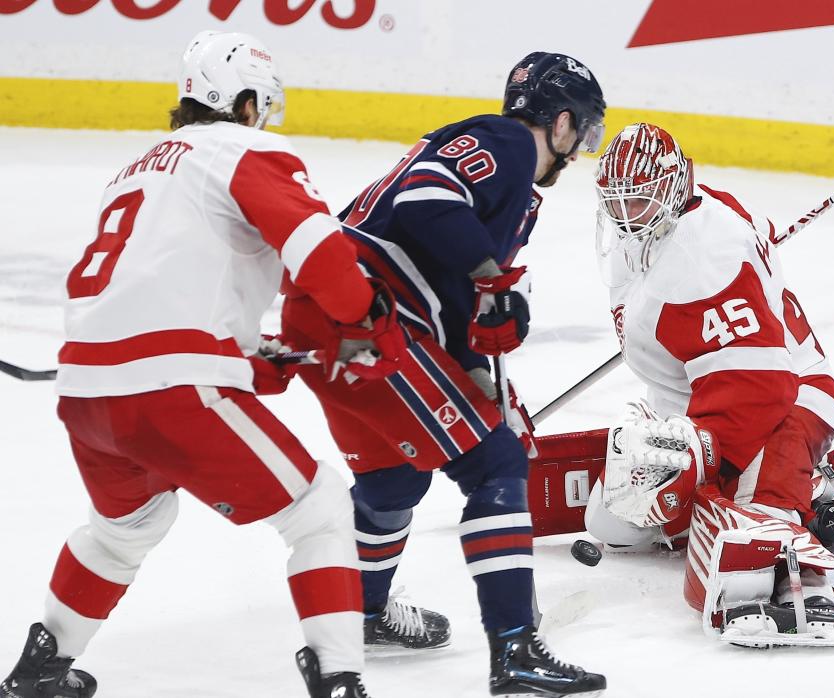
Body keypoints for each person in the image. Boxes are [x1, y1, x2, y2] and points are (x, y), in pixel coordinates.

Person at [0, 31, 403, 698]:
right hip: (172, 389)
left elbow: (158, 294)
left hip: (85, 395)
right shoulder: (244, 149)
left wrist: (240, 358)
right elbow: (323, 259)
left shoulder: (135, 170)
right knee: (322, 510)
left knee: (126, 529)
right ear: (246, 104)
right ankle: (340, 680)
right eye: (262, 106)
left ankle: (39, 672)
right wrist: (367, 315)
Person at [279, 53, 607, 695]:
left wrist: (480, 372)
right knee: (496, 463)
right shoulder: (509, 142)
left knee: (394, 475)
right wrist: (492, 279)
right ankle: (515, 652)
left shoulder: (500, 172)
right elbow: (425, 198)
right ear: (563, 124)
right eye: (585, 131)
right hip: (371, 321)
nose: (578, 148)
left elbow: (445, 280)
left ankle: (362, 615)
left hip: (331, 327)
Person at [530, 123, 834, 648]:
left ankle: (805, 512)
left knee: (754, 519)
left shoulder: (707, 260)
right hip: (695, 393)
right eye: (617, 202)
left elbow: (762, 390)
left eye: (639, 201)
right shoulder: (667, 221)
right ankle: (796, 481)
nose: (626, 216)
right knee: (612, 528)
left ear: (672, 187)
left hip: (784, 395)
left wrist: (701, 458)